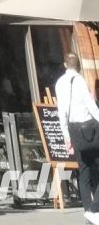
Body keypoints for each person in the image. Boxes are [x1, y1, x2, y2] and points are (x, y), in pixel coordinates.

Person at [54, 53, 99, 225]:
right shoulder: (80, 81)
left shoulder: (59, 83)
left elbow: (62, 113)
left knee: (84, 172)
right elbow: (91, 106)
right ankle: (94, 211)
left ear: (65, 65)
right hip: (90, 130)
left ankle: (89, 212)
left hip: (74, 131)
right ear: (78, 65)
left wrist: (66, 137)